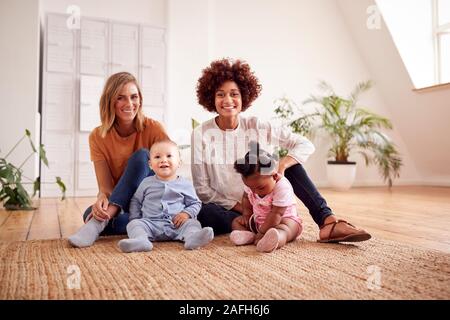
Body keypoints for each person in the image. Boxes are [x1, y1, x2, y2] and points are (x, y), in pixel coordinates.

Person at [192, 58, 371, 243]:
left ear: (244, 96)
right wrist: (244, 208)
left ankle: (327, 222)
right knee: (205, 212)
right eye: (220, 94)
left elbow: (305, 144)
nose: (228, 100)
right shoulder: (200, 134)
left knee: (292, 165)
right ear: (211, 98)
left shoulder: (257, 125)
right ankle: (253, 227)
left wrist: (282, 165)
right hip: (233, 209)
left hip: (269, 201)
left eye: (234, 94)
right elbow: (202, 189)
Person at [68, 72, 168, 248]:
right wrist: (101, 199)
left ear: (140, 100)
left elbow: (169, 171)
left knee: (142, 157)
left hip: (152, 200)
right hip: (128, 207)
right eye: (121, 98)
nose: (129, 104)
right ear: (110, 101)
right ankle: (148, 224)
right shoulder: (97, 137)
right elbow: (105, 187)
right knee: (89, 214)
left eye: (134, 97)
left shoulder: (154, 129)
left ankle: (101, 223)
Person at [118, 140, 213, 252]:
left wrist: (186, 214)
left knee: (193, 223)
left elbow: (195, 203)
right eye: (157, 157)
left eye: (169, 156)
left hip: (177, 225)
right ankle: (141, 240)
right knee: (133, 225)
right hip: (151, 224)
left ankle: (192, 238)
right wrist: (135, 218)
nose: (163, 160)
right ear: (150, 165)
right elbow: (136, 201)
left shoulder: (185, 184)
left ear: (179, 162)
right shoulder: (146, 182)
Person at [230, 142, 302, 253]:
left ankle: (274, 239)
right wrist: (246, 215)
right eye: (251, 187)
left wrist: (263, 232)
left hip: (282, 220)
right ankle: (248, 236)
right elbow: (246, 198)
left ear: (274, 175)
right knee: (236, 222)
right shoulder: (253, 185)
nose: (254, 192)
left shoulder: (282, 186)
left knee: (286, 229)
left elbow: (276, 214)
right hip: (258, 220)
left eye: (260, 188)